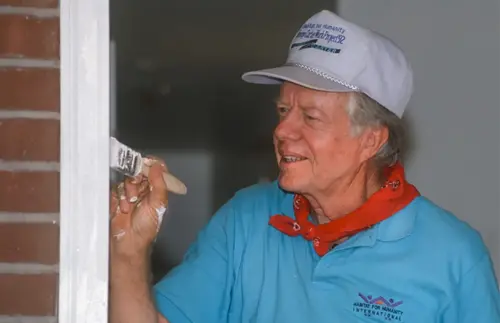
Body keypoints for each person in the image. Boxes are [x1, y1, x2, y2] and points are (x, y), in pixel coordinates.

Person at [109, 10, 500, 323]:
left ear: (371, 140)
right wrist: (129, 253)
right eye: (283, 110)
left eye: (310, 117)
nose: (282, 130)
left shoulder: (454, 257)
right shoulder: (246, 220)